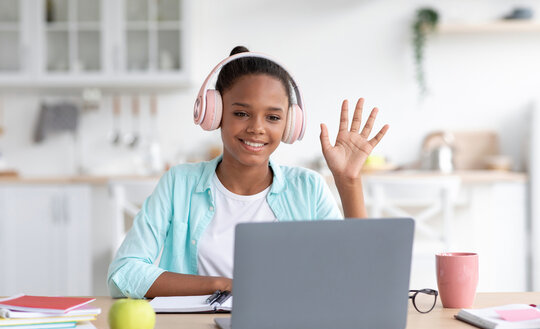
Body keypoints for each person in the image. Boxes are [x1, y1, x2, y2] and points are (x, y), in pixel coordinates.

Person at [107, 46, 389, 299]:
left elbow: (360, 279)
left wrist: (348, 180)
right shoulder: (179, 183)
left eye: (273, 117)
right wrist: (223, 284)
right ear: (215, 114)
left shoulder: (308, 188)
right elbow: (123, 275)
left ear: (290, 125)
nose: (257, 127)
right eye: (241, 113)